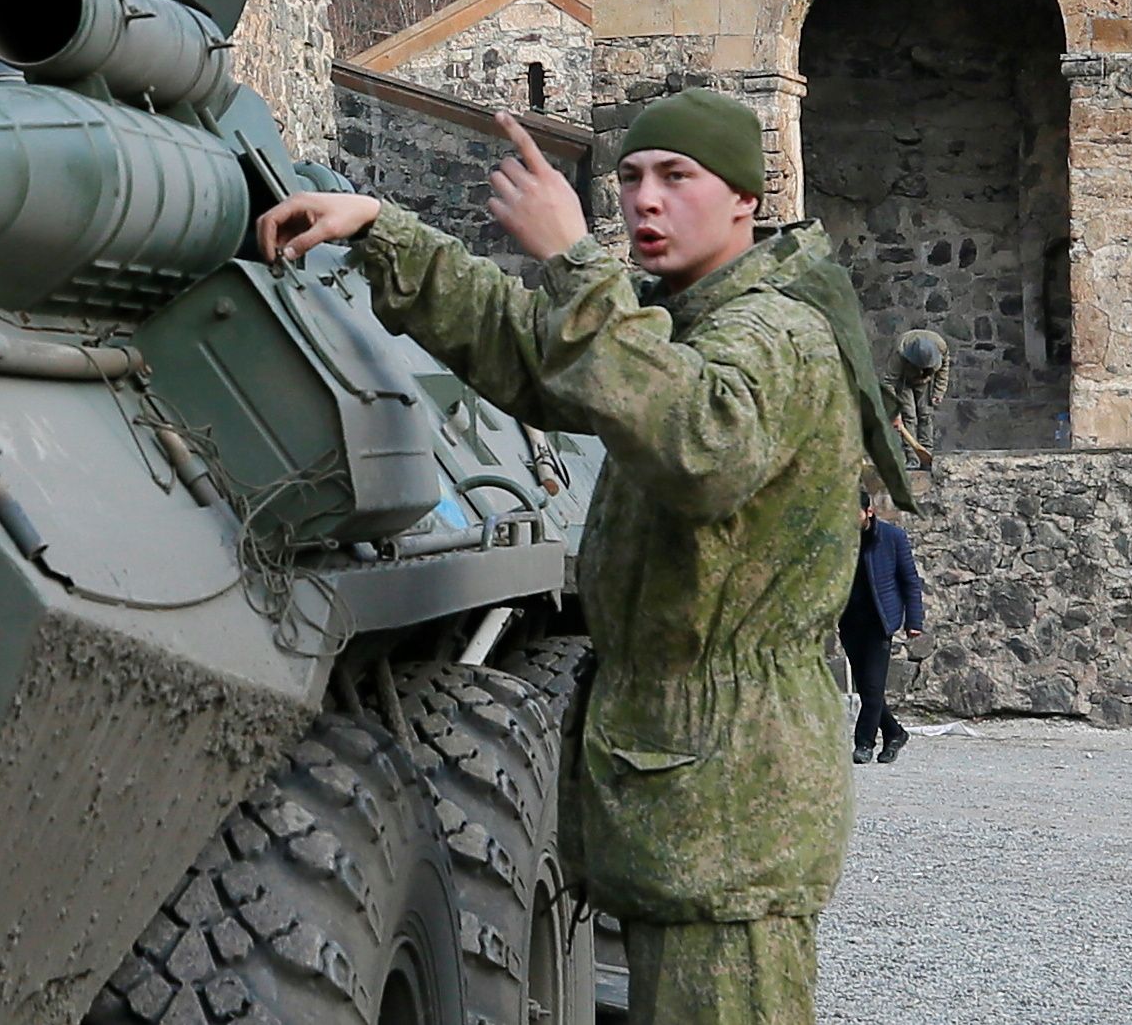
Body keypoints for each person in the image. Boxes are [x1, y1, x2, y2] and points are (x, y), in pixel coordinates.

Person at [258, 88, 916, 1025]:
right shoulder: (685, 320)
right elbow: (538, 356)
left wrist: (573, 258)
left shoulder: (776, 334)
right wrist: (379, 230)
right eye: (633, 177)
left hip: (734, 805)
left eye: (676, 177)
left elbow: (700, 440)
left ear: (743, 200)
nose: (644, 200)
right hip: (697, 793)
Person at [844, 485, 925, 765]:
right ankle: (894, 733)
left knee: (874, 687)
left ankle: (864, 742)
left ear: (869, 511)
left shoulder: (892, 538)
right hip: (850, 621)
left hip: (880, 621)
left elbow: (910, 581)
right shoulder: (840, 540)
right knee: (867, 687)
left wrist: (914, 620)